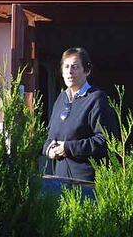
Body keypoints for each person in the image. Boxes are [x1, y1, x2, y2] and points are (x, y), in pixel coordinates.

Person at [42, 47, 118, 182]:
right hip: (59, 179)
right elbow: (50, 136)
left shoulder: (96, 99)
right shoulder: (60, 99)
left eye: (75, 67)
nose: (70, 72)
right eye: (66, 67)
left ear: (87, 70)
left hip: (86, 183)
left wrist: (67, 147)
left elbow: (104, 141)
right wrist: (49, 150)